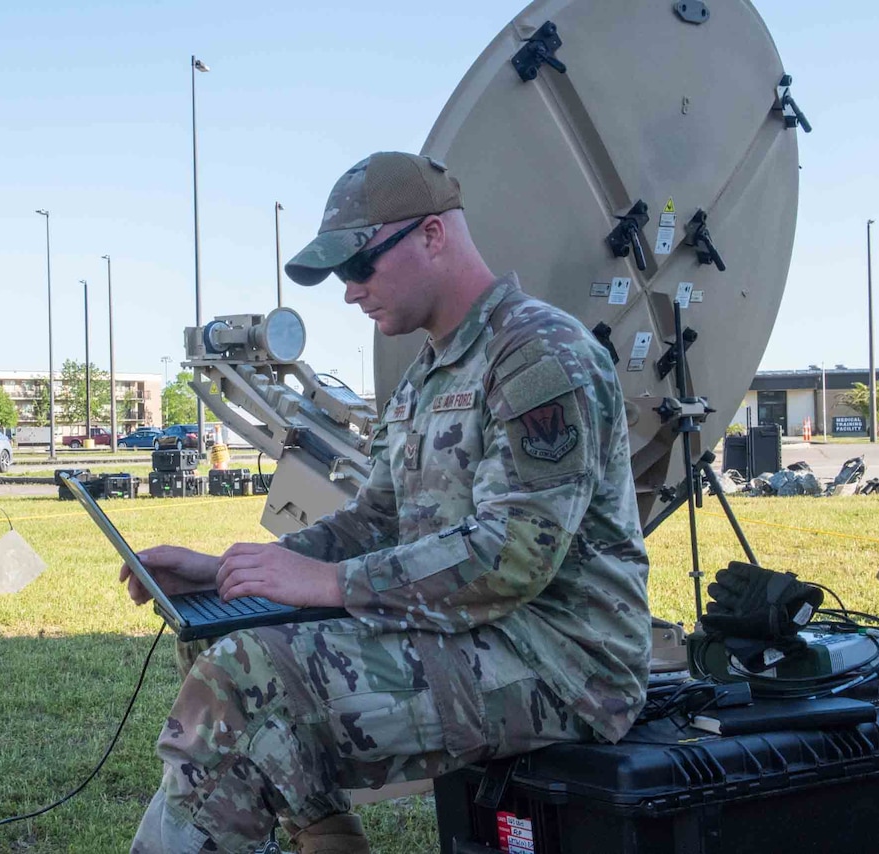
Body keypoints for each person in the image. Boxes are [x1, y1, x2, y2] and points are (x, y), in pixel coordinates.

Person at [125, 151, 651, 854]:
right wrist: (229, 572)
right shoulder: (426, 376)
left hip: (561, 661)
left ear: (432, 236)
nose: (349, 292)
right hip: (472, 634)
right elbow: (376, 520)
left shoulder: (538, 356)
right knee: (219, 644)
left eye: (359, 266)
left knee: (241, 680)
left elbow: (513, 555)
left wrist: (330, 584)